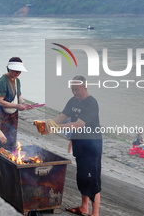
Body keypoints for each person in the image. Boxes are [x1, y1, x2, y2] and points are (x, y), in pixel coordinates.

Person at [52, 75, 102, 216]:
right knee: (82, 176)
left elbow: (79, 124)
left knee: (93, 180)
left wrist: (56, 127)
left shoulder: (92, 103)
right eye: (72, 89)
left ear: (85, 87)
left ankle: (95, 213)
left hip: (92, 145)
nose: (74, 92)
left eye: (77, 89)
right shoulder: (73, 101)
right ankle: (84, 207)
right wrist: (48, 123)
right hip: (79, 144)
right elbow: (62, 116)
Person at [0, 57, 32, 151]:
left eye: (19, 71)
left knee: (11, 137)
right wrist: (17, 106)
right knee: (0, 138)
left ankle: (10, 156)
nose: (17, 73)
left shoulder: (17, 81)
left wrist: (24, 104)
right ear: (9, 68)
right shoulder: (2, 81)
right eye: (15, 71)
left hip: (12, 114)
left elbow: (19, 96)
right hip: (1, 114)